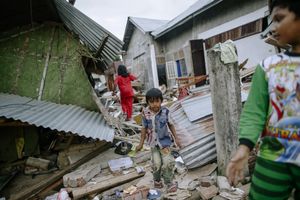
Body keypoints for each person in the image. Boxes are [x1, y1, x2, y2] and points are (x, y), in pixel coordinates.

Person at [226, 0, 300, 199]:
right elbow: (254, 112)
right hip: (273, 158)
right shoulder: (268, 66)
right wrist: (244, 149)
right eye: (272, 21)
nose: (273, 28)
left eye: (279, 19)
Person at [136, 88, 181, 193]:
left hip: (165, 143)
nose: (154, 104)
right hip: (153, 144)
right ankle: (157, 180)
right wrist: (141, 144)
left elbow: (171, 125)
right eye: (151, 102)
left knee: (168, 162)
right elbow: (144, 129)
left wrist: (176, 139)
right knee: (156, 163)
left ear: (161, 101)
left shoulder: (165, 112)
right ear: (148, 102)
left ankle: (169, 182)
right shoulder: (145, 113)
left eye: (157, 101)